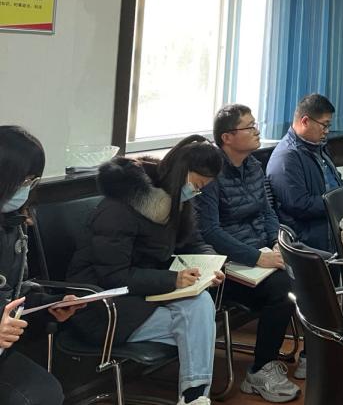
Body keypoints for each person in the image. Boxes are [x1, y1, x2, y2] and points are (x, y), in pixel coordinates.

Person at [67, 137, 225, 405]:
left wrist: (210, 265)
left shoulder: (171, 201)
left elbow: (192, 241)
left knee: (200, 305)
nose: (195, 193)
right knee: (196, 327)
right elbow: (113, 276)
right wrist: (172, 279)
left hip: (141, 297)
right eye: (197, 186)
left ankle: (194, 396)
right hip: (102, 307)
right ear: (181, 172)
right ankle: (194, 398)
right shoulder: (117, 210)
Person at [195, 104, 302, 400]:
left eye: (256, 125)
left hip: (261, 252)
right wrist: (257, 257)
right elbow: (209, 231)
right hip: (227, 265)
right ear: (227, 137)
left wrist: (277, 242)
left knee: (309, 266)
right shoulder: (210, 173)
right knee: (284, 287)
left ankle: (309, 354)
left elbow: (267, 212)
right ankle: (260, 371)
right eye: (250, 127)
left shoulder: (253, 165)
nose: (257, 131)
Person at [0, 126, 82, 405]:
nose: (27, 189)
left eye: (32, 181)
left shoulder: (13, 226)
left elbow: (15, 292)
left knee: (44, 391)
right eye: (23, 180)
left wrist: (49, 305)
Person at [266, 94, 343, 253]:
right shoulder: (286, 157)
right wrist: (342, 200)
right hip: (310, 236)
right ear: (305, 121)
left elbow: (335, 181)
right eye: (324, 125)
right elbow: (300, 205)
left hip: (332, 222)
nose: (327, 131)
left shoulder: (317, 147)